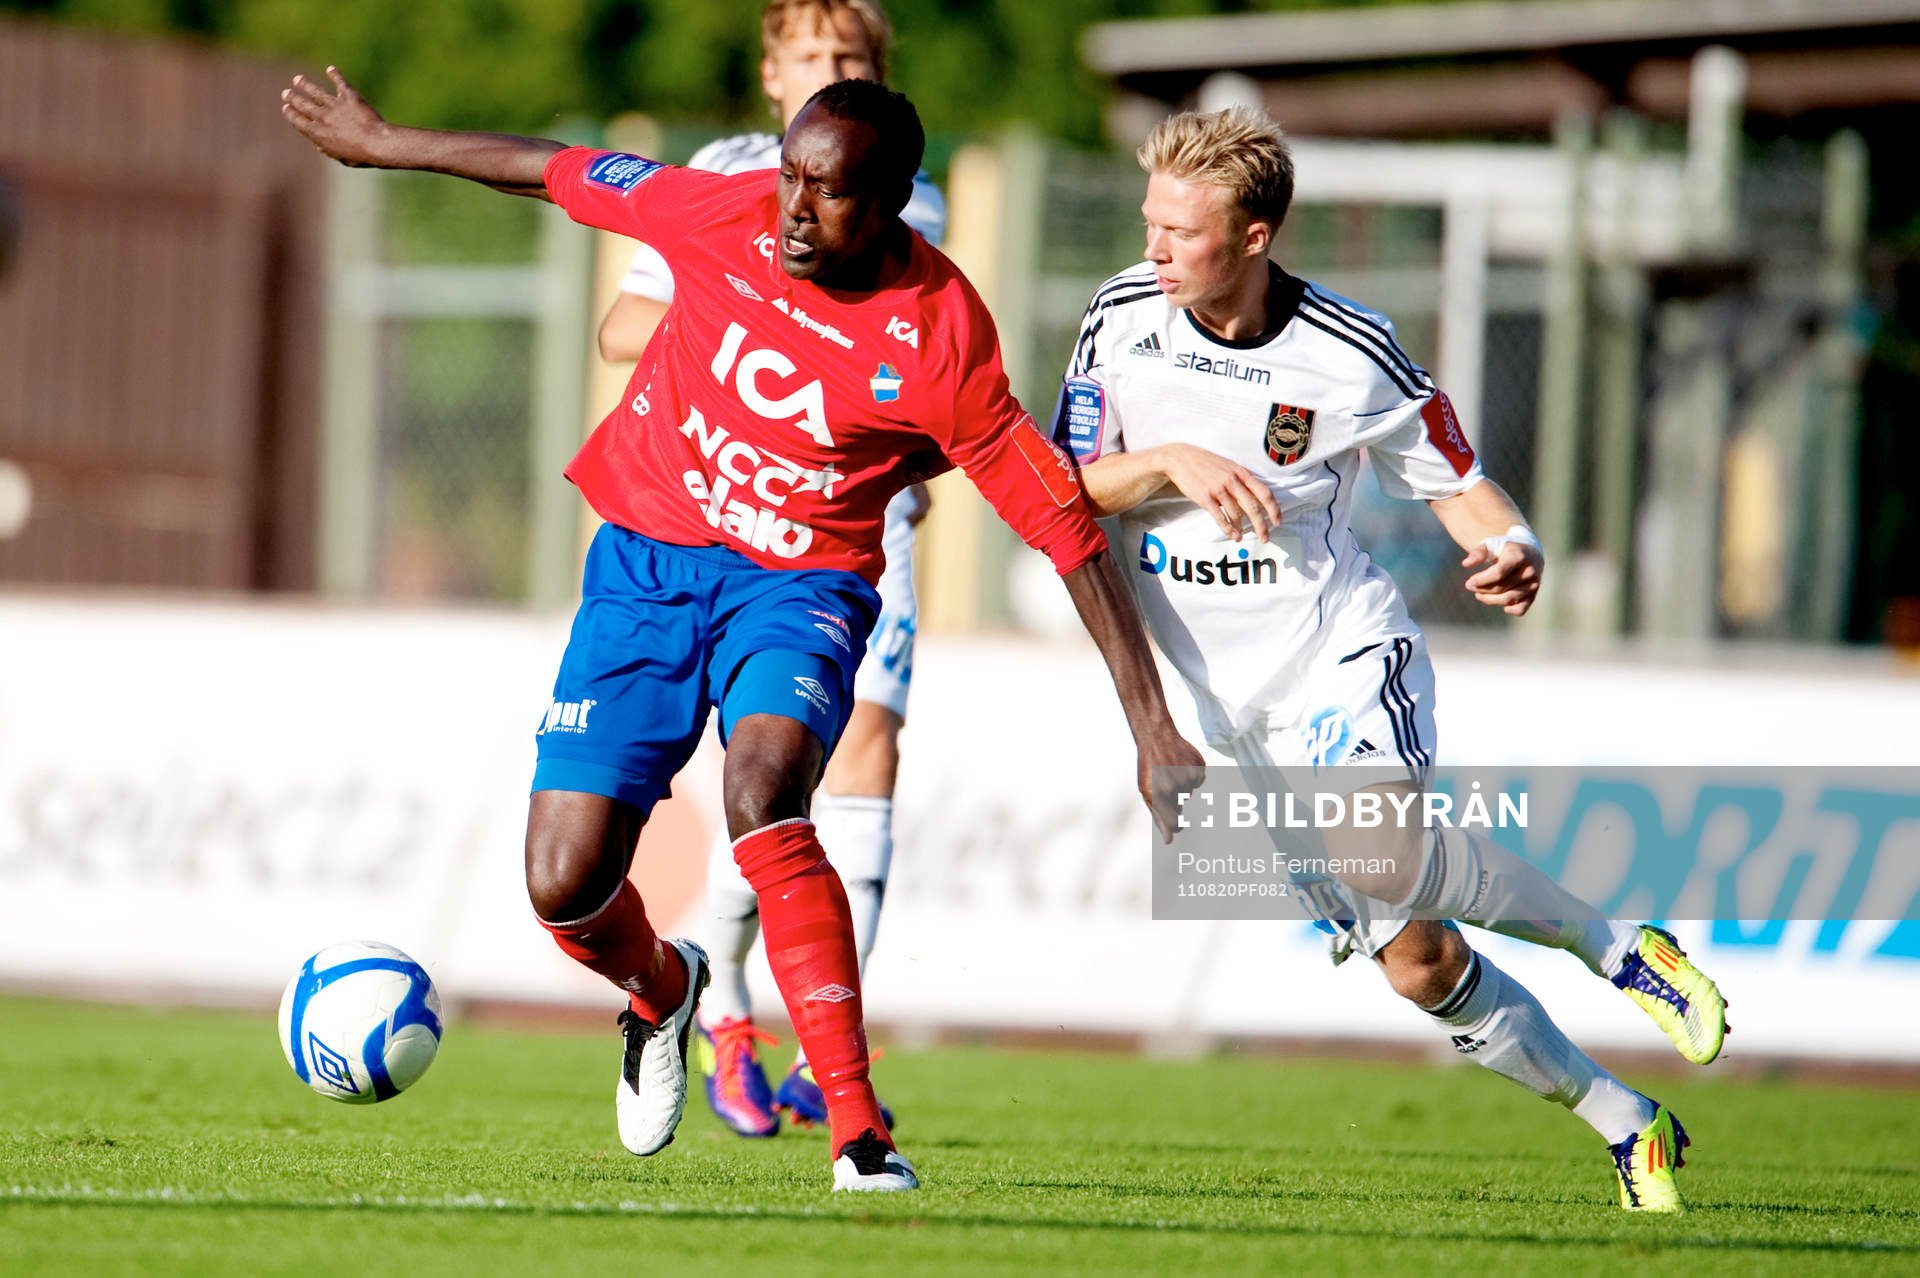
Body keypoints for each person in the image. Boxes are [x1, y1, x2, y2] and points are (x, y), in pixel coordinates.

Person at [281, 68, 1201, 1194]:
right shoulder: (722, 212)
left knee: (764, 790)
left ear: (897, 200)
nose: (796, 207)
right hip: (646, 569)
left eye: (828, 190)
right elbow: (553, 171)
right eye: (791, 175)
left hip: (801, 581)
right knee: (562, 883)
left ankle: (859, 1135)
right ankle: (667, 991)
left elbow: (1062, 527)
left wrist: (1152, 731)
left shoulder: (940, 336)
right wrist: (385, 141)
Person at [1056, 106, 1728, 1213]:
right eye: (1150, 222)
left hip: (1338, 652)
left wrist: (1513, 546)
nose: (1154, 248)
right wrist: (1172, 459)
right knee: (1421, 966)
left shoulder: (1347, 351)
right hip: (1228, 713)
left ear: (1257, 235)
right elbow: (1066, 486)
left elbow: (1462, 484)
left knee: (1379, 852)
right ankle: (1629, 1124)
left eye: (1182, 230)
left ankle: (1618, 952)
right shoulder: (1122, 315)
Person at [595, 0, 939, 1142]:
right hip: (721, 508)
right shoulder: (722, 170)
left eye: (850, 59)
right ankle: (727, 1002)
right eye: (809, 56)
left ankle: (835, 1048)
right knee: (765, 787)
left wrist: (723, 320)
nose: (827, 71)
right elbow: (619, 323)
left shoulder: (899, 182)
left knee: (867, 749)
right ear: (767, 71)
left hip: (855, 524)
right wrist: (730, 334)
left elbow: (883, 349)